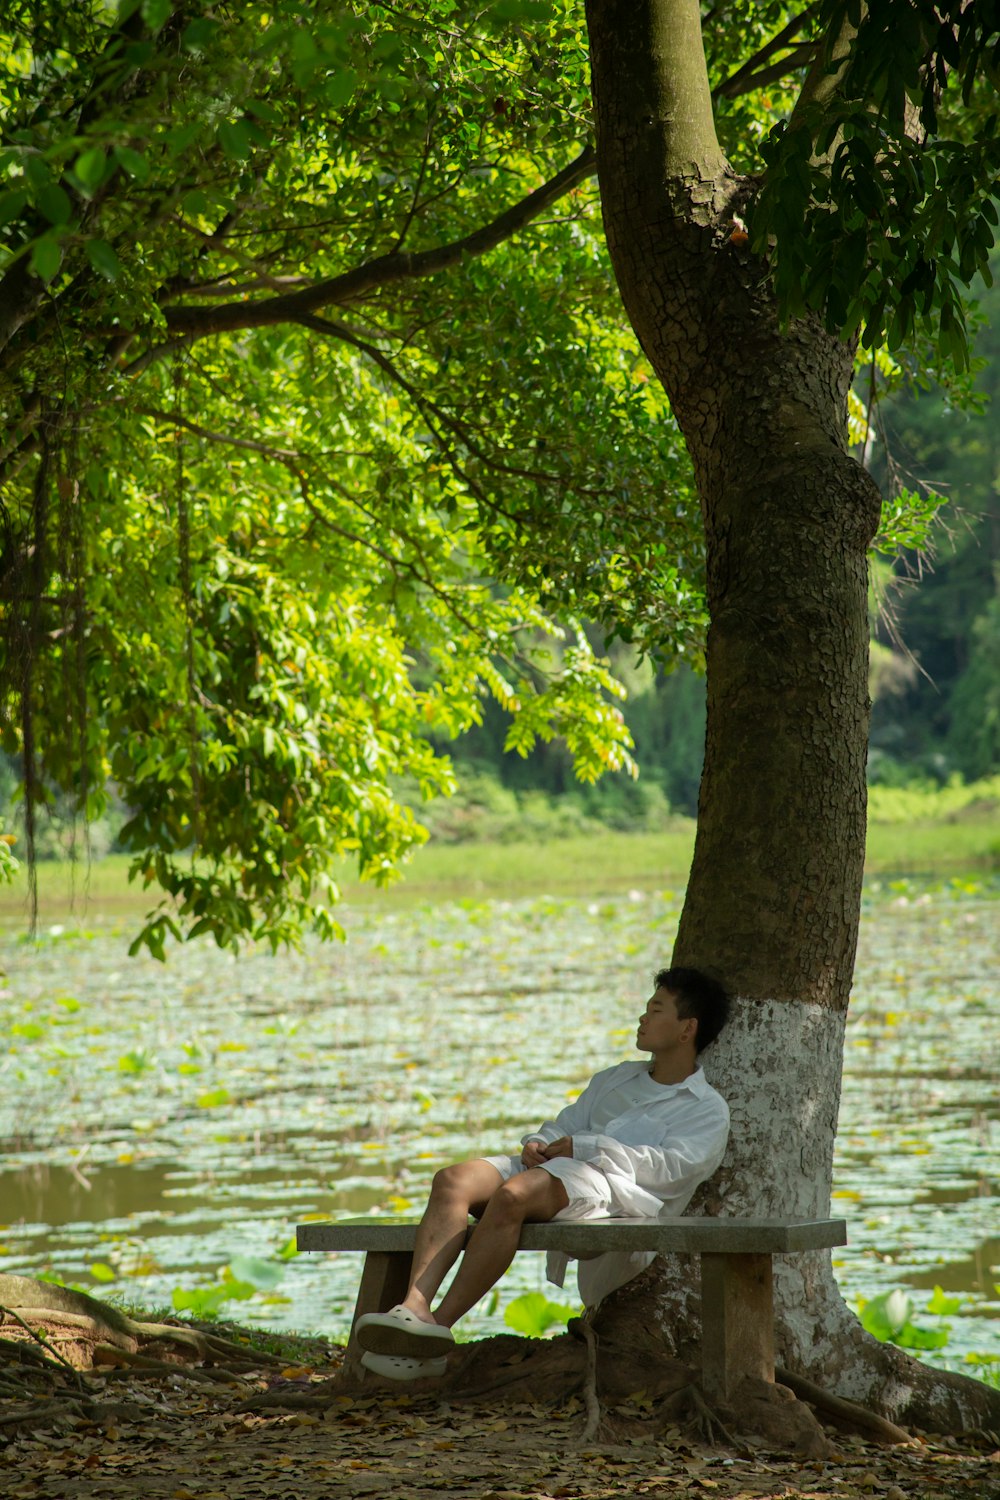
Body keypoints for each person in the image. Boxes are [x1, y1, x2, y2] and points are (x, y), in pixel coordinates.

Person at [356, 966, 731, 1380]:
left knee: (514, 1195)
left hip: (606, 1188)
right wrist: (539, 1141)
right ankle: (414, 1308)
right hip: (552, 1166)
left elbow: (674, 1170)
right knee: (452, 1180)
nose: (643, 1018)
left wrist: (586, 1147)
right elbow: (567, 1122)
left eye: (656, 1010)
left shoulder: (704, 1107)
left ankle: (437, 1330)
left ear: (686, 1029)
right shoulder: (616, 1078)